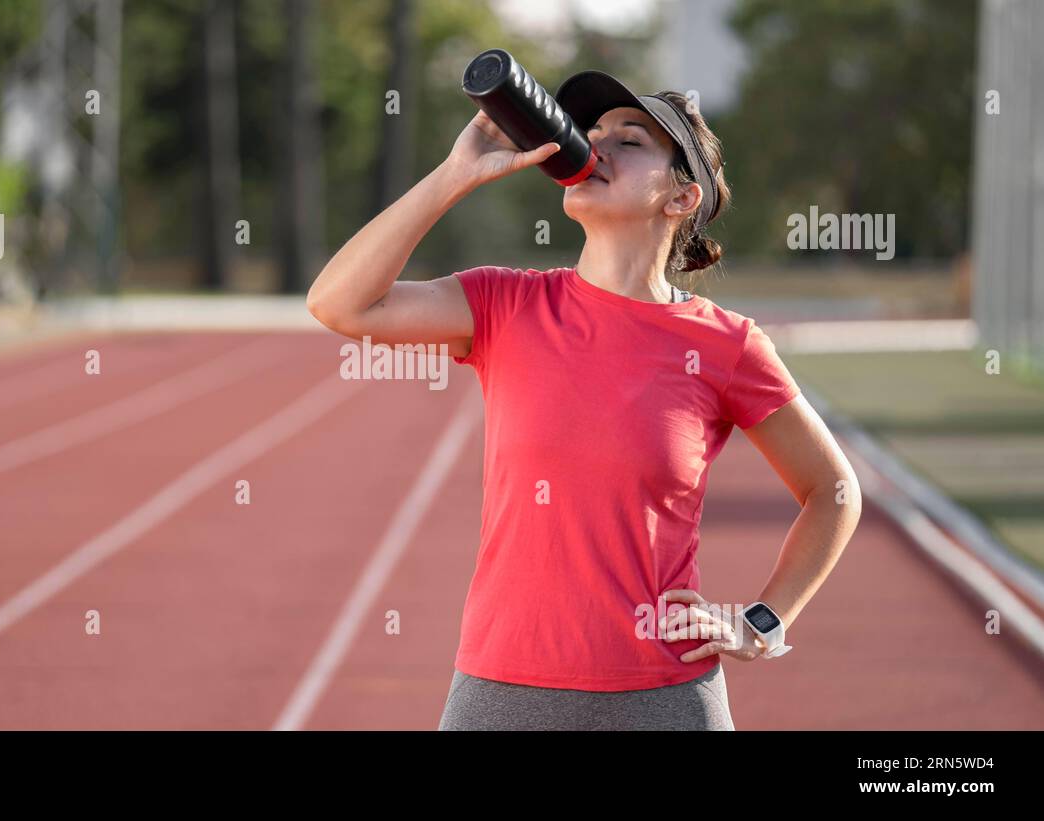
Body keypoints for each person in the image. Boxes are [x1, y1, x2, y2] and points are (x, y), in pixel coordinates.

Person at [306, 70, 862, 730]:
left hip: (665, 694)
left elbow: (833, 490)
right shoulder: (507, 304)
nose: (596, 146)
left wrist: (762, 621)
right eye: (592, 133)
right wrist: (455, 174)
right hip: (501, 686)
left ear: (680, 197)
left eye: (630, 141)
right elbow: (339, 303)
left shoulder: (727, 344)